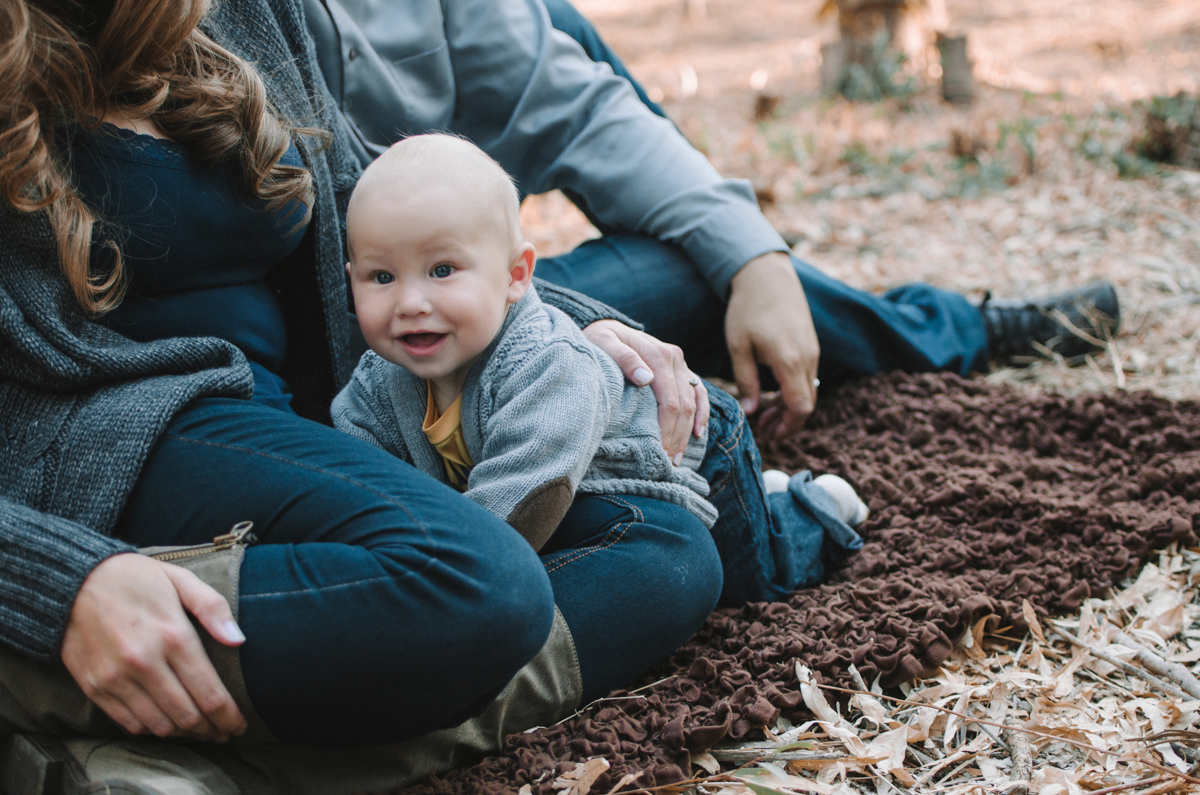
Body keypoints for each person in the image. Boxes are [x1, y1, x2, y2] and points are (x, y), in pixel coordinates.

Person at [0, 0, 781, 791]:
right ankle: (28, 677)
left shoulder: (237, 12)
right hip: (110, 441)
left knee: (671, 539)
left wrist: (538, 321)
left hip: (317, 413)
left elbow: (366, 203)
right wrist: (60, 586)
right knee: (480, 584)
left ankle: (204, 766)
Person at [305, 0, 1120, 444]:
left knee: (563, 30)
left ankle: (788, 291)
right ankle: (947, 328)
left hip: (462, 290)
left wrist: (756, 259)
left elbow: (582, 112)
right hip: (357, 329)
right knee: (690, 264)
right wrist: (733, 256)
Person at [332, 133, 867, 597]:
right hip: (581, 493)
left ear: (517, 276)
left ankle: (810, 507)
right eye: (382, 277)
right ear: (350, 278)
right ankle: (767, 497)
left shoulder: (545, 366)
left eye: (442, 269)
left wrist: (434, 582)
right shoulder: (376, 387)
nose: (410, 303)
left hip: (693, 450)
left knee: (757, 579)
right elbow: (366, 487)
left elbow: (521, 503)